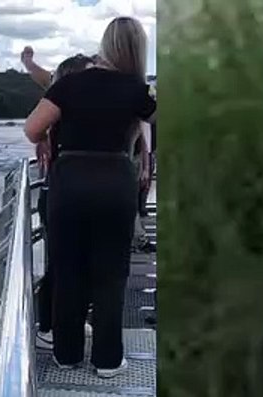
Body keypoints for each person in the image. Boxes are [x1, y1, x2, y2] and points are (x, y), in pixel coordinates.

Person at [22, 16, 155, 377]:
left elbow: (32, 128)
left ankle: (66, 354)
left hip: (70, 181)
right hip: (115, 183)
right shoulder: (137, 91)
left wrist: (47, 139)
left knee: (67, 269)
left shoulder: (71, 85)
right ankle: (108, 360)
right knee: (111, 273)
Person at [33, 54, 96, 349]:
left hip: (75, 195)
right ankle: (47, 326)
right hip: (57, 195)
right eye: (89, 75)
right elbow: (34, 129)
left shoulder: (74, 108)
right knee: (59, 266)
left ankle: (71, 320)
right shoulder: (60, 110)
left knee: (80, 265)